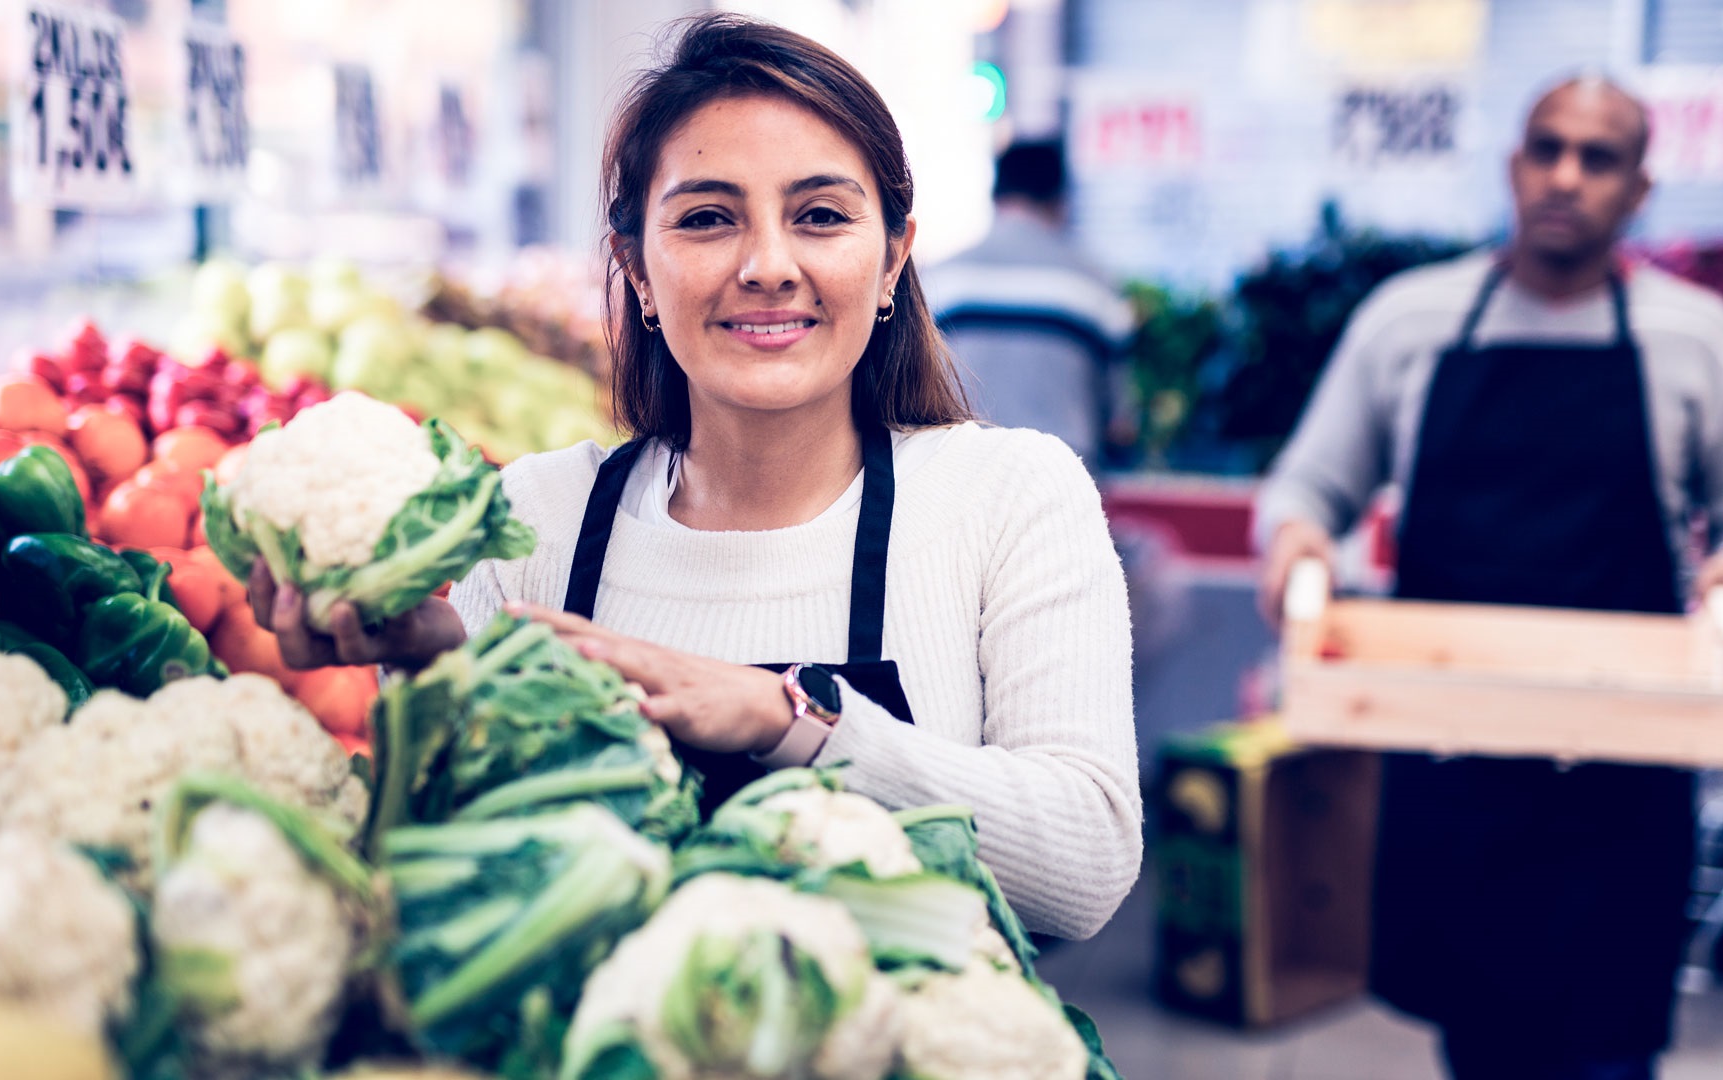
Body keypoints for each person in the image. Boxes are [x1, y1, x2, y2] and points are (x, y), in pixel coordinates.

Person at [248, 13, 1141, 941]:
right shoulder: (537, 518)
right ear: (636, 266)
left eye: (822, 217)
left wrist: (781, 719)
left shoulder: (1007, 497)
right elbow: (452, 879)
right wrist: (434, 669)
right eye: (708, 218)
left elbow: (1084, 869)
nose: (767, 267)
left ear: (892, 259)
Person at [1255, 76, 1723, 1079]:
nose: (1566, 176)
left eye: (1599, 158)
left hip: (1625, 783)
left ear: (1640, 188)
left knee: (1608, 1051)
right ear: (1513, 165)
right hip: (1457, 773)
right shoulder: (1410, 321)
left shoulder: (1693, 335)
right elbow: (1308, 482)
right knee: (1481, 1047)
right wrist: (1296, 546)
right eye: (1547, 148)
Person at [925, 139, 1134, 470]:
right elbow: (1119, 425)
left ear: (994, 195)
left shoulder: (939, 280)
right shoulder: (1095, 285)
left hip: (959, 472)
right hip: (1062, 477)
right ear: (1060, 201)